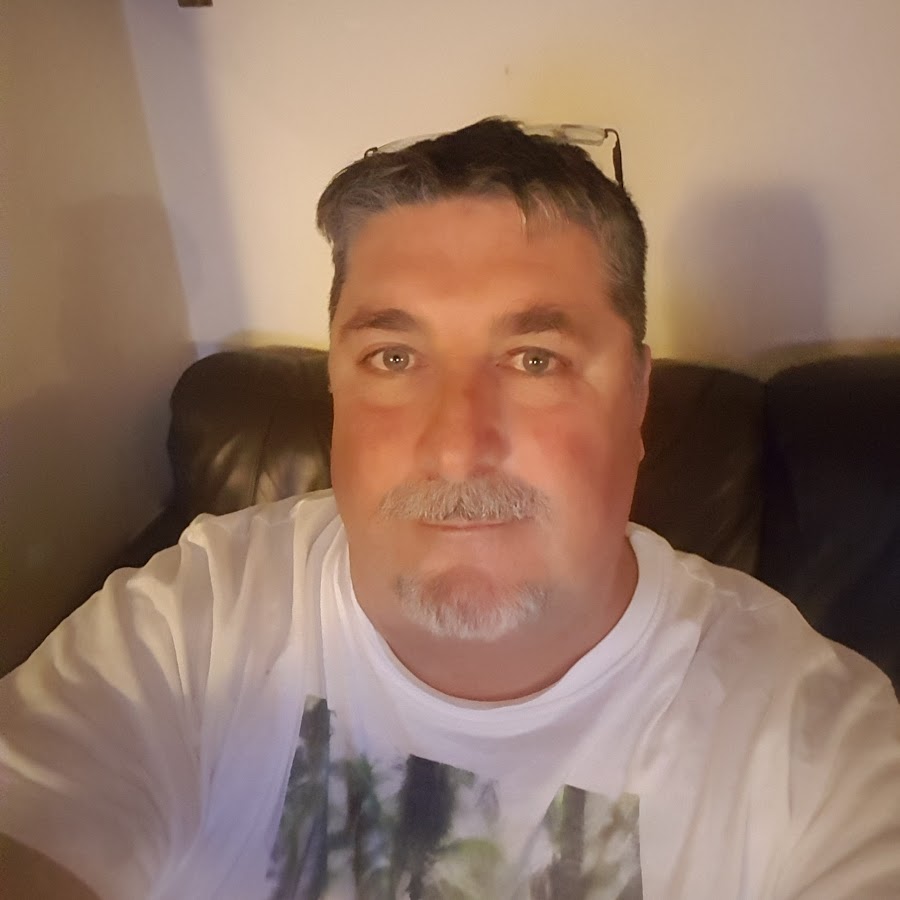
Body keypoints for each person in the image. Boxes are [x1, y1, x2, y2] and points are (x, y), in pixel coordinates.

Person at [1, 118, 898, 900]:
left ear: (637, 401)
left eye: (535, 359)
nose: (457, 446)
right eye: (393, 358)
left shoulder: (815, 749)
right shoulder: (186, 630)